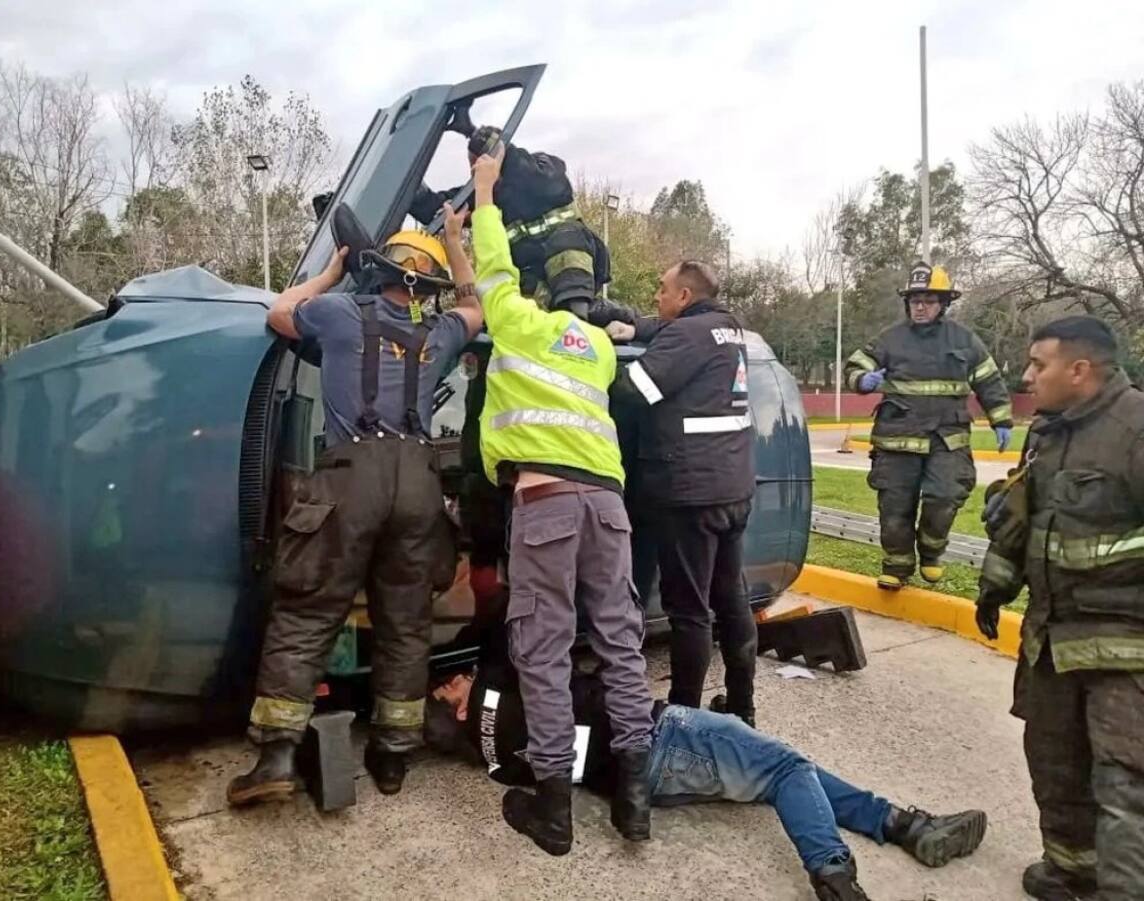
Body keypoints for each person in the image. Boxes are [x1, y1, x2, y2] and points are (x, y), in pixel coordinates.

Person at [424, 628, 989, 901]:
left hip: (646, 784)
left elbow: (529, 790)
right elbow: (550, 656)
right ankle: (836, 876)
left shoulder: (493, 761)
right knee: (787, 770)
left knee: (783, 774)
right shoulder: (506, 678)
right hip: (663, 736)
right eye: (457, 675)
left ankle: (899, 825)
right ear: (457, 686)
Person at [227, 206, 483, 805]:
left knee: (308, 611)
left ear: (379, 269)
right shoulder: (439, 331)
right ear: (428, 283)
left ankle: (278, 756)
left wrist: (332, 271)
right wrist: (454, 239)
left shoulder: (340, 313)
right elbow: (474, 306)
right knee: (406, 622)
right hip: (419, 483)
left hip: (350, 480)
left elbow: (278, 312)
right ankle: (393, 755)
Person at [468, 142, 656, 855]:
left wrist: (484, 191)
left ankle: (554, 808)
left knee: (543, 652)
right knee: (619, 640)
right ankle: (633, 800)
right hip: (608, 508)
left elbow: (491, 270)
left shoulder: (516, 323)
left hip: (544, 504)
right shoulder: (596, 349)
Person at [975, 316, 1144, 901]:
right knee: (1053, 758)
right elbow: (1023, 528)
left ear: (1079, 370)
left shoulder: (1136, 430)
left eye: (1037, 365)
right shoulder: (1047, 434)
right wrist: (993, 590)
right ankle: (1069, 868)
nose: (1026, 377)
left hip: (1125, 648)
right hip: (1051, 638)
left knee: (1124, 781)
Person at [608, 262, 758, 724]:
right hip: (733, 488)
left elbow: (633, 391)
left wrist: (582, 362)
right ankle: (741, 706)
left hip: (689, 494)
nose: (657, 295)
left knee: (689, 611)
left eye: (662, 288)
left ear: (685, 295)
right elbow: (672, 328)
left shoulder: (685, 338)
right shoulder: (730, 329)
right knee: (731, 598)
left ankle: (683, 723)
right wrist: (636, 327)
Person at [843, 261, 1014, 591]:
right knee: (895, 506)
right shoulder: (890, 339)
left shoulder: (964, 340)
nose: (920, 307)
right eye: (914, 300)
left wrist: (1002, 419)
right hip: (897, 439)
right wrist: (863, 379)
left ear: (944, 303)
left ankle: (932, 552)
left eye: (928, 300)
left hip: (947, 438)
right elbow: (855, 364)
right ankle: (897, 565)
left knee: (945, 497)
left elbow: (989, 380)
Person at [411, 125, 610, 321]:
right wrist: (409, 186)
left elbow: (526, 172)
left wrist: (476, 136)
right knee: (504, 294)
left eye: (480, 162)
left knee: (566, 239)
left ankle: (578, 319)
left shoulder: (545, 171)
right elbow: (439, 208)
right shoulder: (486, 192)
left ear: (499, 157)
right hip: (535, 285)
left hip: (573, 278)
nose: (475, 170)